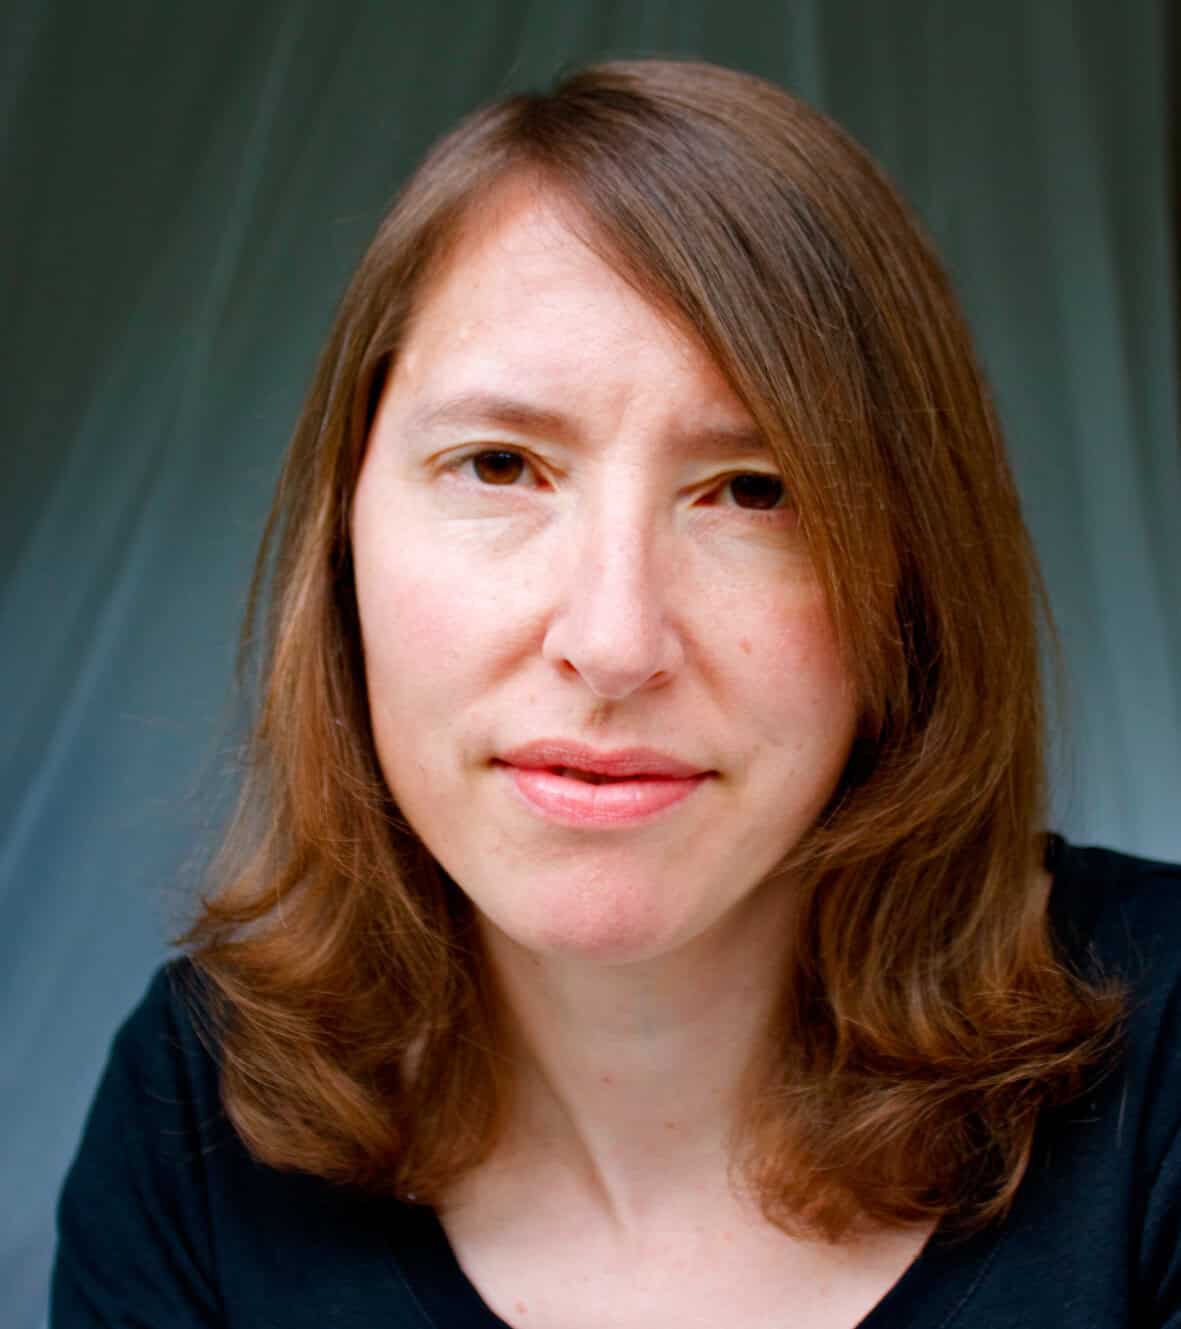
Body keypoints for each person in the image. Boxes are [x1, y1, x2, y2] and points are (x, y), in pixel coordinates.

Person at [51, 59, 1181, 1328]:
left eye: (753, 491)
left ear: (914, 579)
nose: (611, 640)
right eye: (499, 465)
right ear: (344, 534)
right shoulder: (193, 1111)